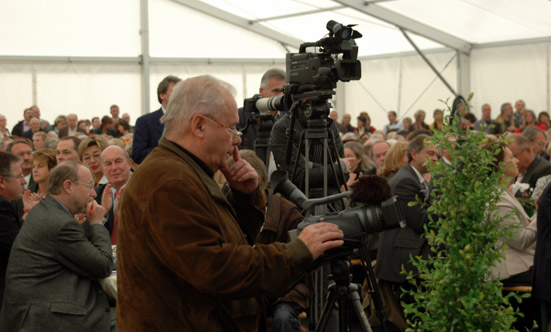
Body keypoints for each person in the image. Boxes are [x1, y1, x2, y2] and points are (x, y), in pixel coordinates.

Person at [116, 75, 344, 332]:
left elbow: (220, 240)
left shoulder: (185, 172)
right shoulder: (170, 181)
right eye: (231, 129)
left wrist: (244, 198)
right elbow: (216, 268)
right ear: (199, 125)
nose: (236, 139)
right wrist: (297, 250)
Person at [0, 161, 112, 331]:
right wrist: (97, 222)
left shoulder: (46, 210)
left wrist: (95, 221)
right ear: (68, 186)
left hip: (35, 308)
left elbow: (76, 242)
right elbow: (103, 265)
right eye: (89, 186)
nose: (93, 194)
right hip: (45, 318)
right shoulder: (59, 223)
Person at [374, 134, 438, 320]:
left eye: (437, 155)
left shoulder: (415, 178)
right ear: (414, 154)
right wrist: (448, 207)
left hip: (411, 248)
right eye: (430, 153)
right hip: (404, 257)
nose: (435, 158)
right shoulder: (405, 181)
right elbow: (423, 221)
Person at [483, 142, 537, 284]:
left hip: (522, 265)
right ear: (500, 166)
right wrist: (541, 212)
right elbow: (521, 240)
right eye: (511, 157)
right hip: (513, 272)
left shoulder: (502, 192)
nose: (516, 160)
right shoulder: (496, 197)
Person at [238, 68, 286, 163]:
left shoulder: (288, 119)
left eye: (284, 91)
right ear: (261, 91)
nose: (281, 96)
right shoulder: (241, 116)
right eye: (276, 91)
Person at [133, 75, 182, 164]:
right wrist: (168, 151)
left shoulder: (189, 120)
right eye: (175, 91)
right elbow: (138, 155)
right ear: (162, 95)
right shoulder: (145, 122)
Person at [0, 152, 26, 309]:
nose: (24, 182)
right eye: (19, 176)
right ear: (2, 181)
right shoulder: (2, 207)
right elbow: (19, 252)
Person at [94, 145, 132, 244]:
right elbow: (90, 235)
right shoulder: (96, 195)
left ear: (129, 164)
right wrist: (103, 215)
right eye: (108, 164)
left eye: (118, 161)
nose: (114, 168)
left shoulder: (144, 190)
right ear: (102, 170)